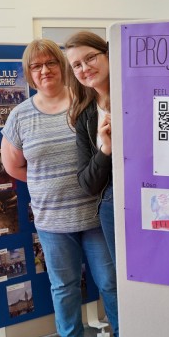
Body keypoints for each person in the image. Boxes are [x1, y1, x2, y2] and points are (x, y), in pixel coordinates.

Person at [0, 38, 119, 337]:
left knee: (110, 281)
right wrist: (45, 184)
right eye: (36, 66)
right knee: (65, 287)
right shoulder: (20, 116)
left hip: (95, 214)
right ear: (29, 74)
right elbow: (12, 166)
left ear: (63, 66)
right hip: (52, 220)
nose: (44, 70)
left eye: (51, 62)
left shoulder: (85, 104)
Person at [65, 32, 117, 266]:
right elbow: (88, 183)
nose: (85, 68)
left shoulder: (139, 97)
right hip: (112, 206)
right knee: (126, 280)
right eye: (77, 65)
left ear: (107, 55)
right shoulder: (85, 115)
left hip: (155, 198)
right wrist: (106, 149)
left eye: (90, 58)